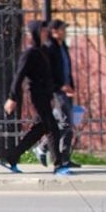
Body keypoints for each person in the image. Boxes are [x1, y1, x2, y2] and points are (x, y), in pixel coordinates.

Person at [0, 21, 69, 175]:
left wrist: (54, 91)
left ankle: (11, 156)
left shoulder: (42, 51)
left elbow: (48, 76)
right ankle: (59, 165)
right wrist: (12, 97)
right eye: (43, 30)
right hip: (36, 95)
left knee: (40, 129)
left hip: (45, 95)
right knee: (52, 128)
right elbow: (19, 75)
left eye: (46, 30)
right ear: (36, 33)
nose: (46, 33)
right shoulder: (30, 53)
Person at [43, 18, 79, 169]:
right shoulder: (49, 48)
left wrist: (71, 86)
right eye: (62, 29)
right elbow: (48, 72)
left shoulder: (62, 46)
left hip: (66, 89)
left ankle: (64, 157)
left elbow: (66, 69)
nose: (65, 32)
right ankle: (45, 148)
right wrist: (60, 86)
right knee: (65, 123)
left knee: (65, 123)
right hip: (57, 91)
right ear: (54, 31)